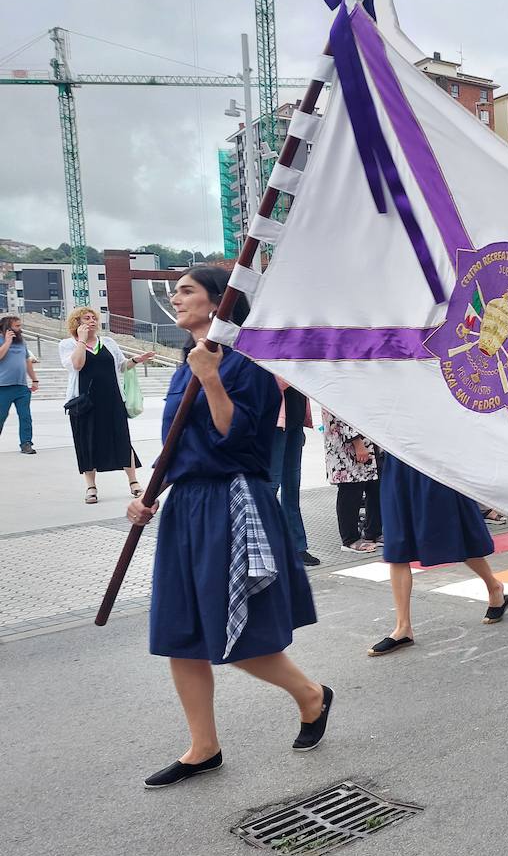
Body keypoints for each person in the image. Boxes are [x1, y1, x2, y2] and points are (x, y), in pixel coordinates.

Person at [126, 267, 329, 789]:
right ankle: (203, 746)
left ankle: (309, 695)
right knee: (180, 630)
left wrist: (211, 378)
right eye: (175, 291)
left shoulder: (248, 365)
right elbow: (178, 445)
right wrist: (147, 498)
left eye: (187, 290)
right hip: (186, 508)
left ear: (221, 302)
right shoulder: (182, 366)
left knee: (235, 628)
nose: (176, 298)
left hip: (232, 501)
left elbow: (238, 442)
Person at [369, 457, 508, 656]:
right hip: (398, 463)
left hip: (433, 462)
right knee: (397, 545)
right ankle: (403, 627)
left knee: (455, 533)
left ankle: (494, 586)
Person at [59, 306, 155, 503]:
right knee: (86, 442)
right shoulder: (67, 344)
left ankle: (133, 482)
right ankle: (91, 486)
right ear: (77, 323)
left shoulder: (108, 342)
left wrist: (137, 360)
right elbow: (76, 365)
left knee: (121, 437)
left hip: (111, 399)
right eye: (87, 318)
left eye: (94, 318)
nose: (93, 321)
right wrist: (82, 341)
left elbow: (121, 365)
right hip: (84, 402)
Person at [270, 379, 319, 566]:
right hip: (275, 424)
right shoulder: (277, 355)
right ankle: (269, 545)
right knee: (271, 486)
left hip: (295, 422)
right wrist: (294, 373)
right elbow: (271, 382)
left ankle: (298, 546)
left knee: (292, 486)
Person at [321, 407, 382, 553]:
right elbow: (340, 409)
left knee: (375, 486)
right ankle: (350, 539)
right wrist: (357, 442)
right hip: (347, 442)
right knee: (351, 488)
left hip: (369, 437)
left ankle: (373, 532)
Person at [0, 315, 39, 453]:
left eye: (20, 326)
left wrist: (34, 380)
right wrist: (7, 341)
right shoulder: (2, 340)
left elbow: (27, 361)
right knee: (1, 416)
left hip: (21, 387)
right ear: (7, 327)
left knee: (25, 416)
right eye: (17, 326)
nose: (20, 329)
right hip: (3, 387)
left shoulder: (22, 343)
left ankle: (26, 443)